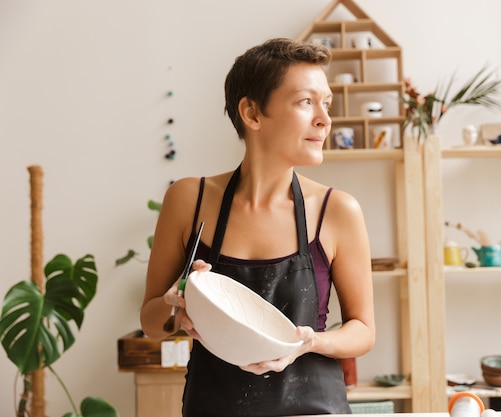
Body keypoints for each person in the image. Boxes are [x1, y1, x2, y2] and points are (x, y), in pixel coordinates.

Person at [140, 37, 375, 416]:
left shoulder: (338, 210)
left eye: (326, 103)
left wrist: (308, 343)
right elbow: (151, 321)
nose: (324, 119)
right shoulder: (189, 200)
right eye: (305, 102)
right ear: (252, 113)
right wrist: (176, 304)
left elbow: (363, 330)